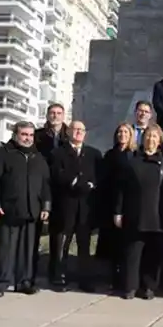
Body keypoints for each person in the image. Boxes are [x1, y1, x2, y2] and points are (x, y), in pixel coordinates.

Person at [0, 122, 51, 298]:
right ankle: (0, 284)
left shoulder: (39, 157)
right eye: (24, 134)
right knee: (6, 250)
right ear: (15, 135)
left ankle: (24, 282)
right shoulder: (2, 154)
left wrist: (46, 206)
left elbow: (46, 184)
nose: (28, 138)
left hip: (33, 211)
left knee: (29, 251)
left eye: (30, 135)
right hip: (8, 210)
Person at [114, 124, 163, 300]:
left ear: (159, 141)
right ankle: (130, 286)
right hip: (135, 213)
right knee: (132, 253)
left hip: (157, 215)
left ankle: (148, 287)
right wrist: (118, 212)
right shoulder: (132, 161)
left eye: (154, 137)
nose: (151, 140)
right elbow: (121, 189)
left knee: (153, 255)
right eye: (148, 136)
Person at [48, 121, 103, 293]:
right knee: (62, 242)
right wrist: (76, 182)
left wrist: (91, 185)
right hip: (66, 205)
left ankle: (85, 279)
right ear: (69, 131)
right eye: (75, 129)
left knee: (84, 245)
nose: (78, 132)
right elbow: (57, 174)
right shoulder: (58, 153)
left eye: (81, 130)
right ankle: (59, 277)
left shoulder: (94, 154)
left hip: (86, 207)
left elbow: (98, 176)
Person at [95, 123, 137, 292]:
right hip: (110, 202)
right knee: (112, 243)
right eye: (119, 131)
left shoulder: (134, 154)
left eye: (126, 132)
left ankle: (125, 279)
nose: (122, 134)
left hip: (129, 203)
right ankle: (112, 278)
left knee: (126, 244)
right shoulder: (110, 155)